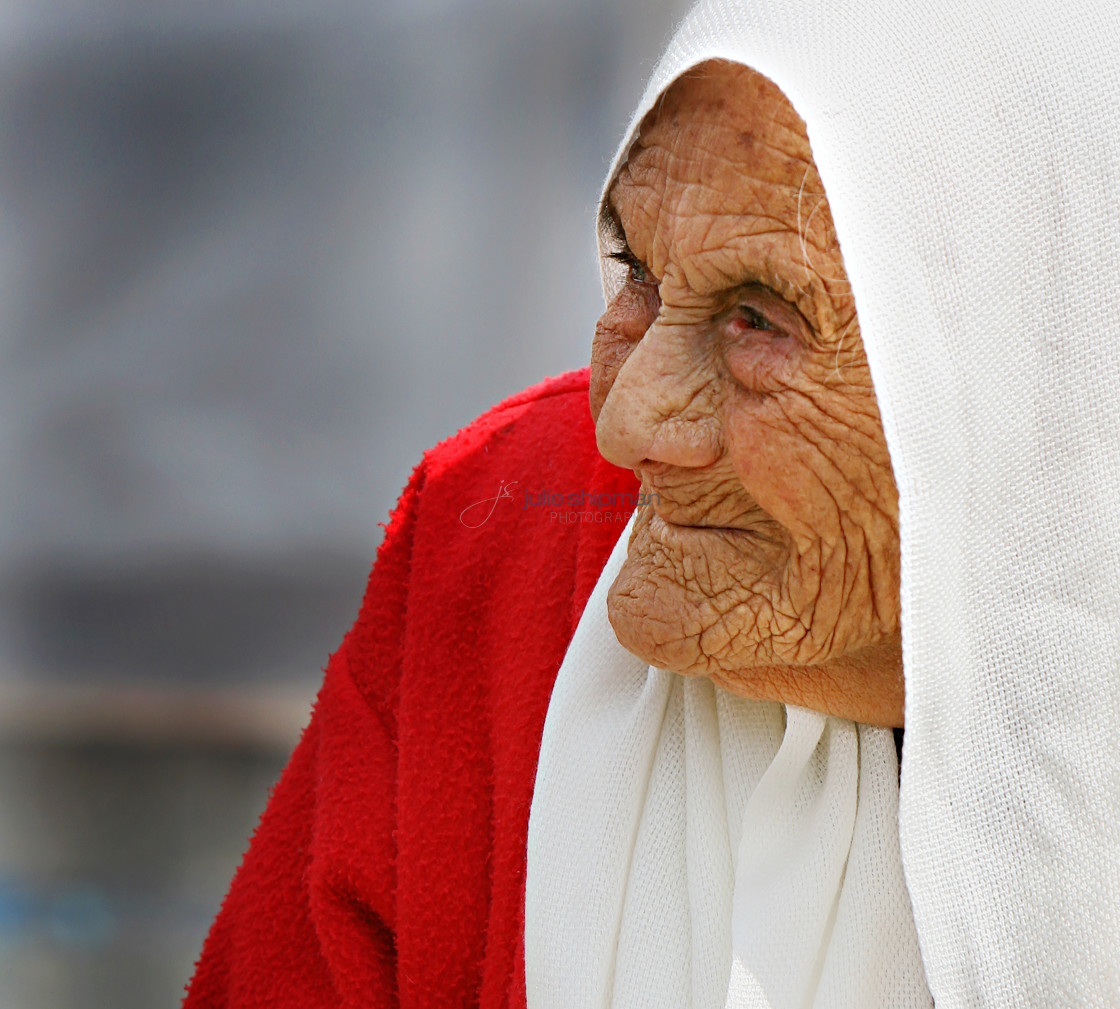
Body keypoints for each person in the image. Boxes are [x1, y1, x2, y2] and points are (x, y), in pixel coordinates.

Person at [185, 0, 1120, 1006]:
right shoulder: (507, 523)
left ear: (1047, 367)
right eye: (634, 271)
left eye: (758, 319)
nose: (627, 427)